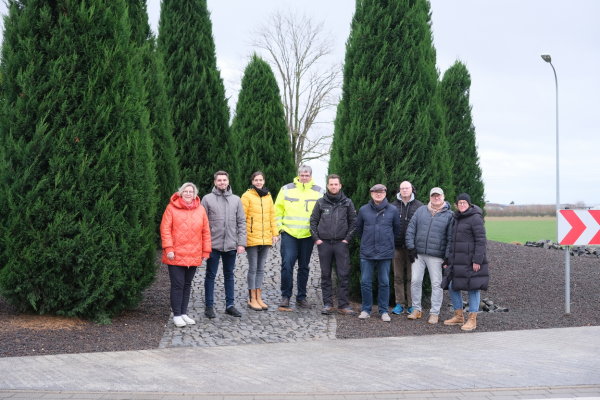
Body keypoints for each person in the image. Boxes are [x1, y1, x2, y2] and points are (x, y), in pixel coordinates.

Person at [160, 182, 211, 328]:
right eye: (186, 191)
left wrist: (206, 251)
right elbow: (165, 229)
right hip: (175, 254)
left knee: (187, 285)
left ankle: (183, 313)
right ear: (181, 193)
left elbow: (206, 231)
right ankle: (176, 315)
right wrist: (168, 248)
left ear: (195, 194)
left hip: (194, 254)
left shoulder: (200, 209)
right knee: (178, 285)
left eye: (191, 191)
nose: (188, 194)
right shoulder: (171, 208)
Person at [274, 165, 323, 311]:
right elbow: (277, 209)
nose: (304, 177)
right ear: (298, 175)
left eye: (307, 175)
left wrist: (318, 232)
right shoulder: (286, 189)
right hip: (289, 233)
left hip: (308, 235)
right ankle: (286, 296)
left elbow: (322, 213)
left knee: (304, 267)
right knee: (287, 265)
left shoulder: (319, 191)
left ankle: (301, 297)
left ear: (311, 175)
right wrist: (279, 228)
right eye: (302, 174)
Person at [201, 171, 246, 319]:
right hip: (213, 245)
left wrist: (241, 243)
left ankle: (230, 305)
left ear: (228, 181)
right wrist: (204, 244)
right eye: (219, 180)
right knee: (210, 275)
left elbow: (241, 222)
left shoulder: (236, 200)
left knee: (229, 275)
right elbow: (202, 223)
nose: (222, 182)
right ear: (215, 182)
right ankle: (209, 305)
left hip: (231, 245)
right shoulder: (207, 199)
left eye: (224, 180)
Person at [310, 174, 357, 315]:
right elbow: (313, 221)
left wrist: (346, 240)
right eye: (331, 184)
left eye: (336, 184)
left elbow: (354, 223)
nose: (333, 186)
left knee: (343, 274)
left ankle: (343, 305)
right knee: (325, 275)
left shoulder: (347, 203)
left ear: (340, 186)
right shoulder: (320, 203)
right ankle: (328, 304)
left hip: (341, 244)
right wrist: (317, 239)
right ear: (327, 186)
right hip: (324, 244)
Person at [405, 187, 454, 324]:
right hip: (418, 254)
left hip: (436, 256)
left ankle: (434, 313)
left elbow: (451, 238)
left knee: (436, 284)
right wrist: (411, 247)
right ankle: (416, 309)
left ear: (443, 197)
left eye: (438, 196)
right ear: (430, 197)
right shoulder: (421, 211)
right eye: (433, 196)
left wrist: (447, 256)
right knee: (415, 281)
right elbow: (410, 229)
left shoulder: (450, 215)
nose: (436, 198)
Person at [443, 193, 489, 331]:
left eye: (464, 202)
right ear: (456, 205)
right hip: (457, 261)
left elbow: (481, 240)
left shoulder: (475, 218)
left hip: (471, 261)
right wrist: (448, 259)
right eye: (459, 203)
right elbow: (452, 241)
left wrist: (477, 260)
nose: (462, 205)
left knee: (473, 288)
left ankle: (472, 320)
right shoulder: (456, 218)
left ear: (469, 204)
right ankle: (459, 316)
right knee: (452, 285)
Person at [355, 184, 401, 322]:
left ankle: (383, 311)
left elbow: (396, 230)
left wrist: (387, 243)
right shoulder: (363, 210)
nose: (378, 194)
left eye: (381, 192)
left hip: (385, 252)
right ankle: (366, 309)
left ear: (385, 193)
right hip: (367, 252)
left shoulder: (393, 210)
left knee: (384, 282)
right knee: (365, 282)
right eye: (375, 192)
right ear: (371, 194)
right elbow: (359, 230)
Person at [241, 171, 279, 311]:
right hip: (252, 238)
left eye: (261, 180)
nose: (258, 182)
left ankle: (258, 296)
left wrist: (274, 233)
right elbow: (242, 218)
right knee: (253, 268)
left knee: (261, 269)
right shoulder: (246, 196)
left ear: (264, 181)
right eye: (256, 180)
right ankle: (251, 298)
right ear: (252, 181)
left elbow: (272, 216)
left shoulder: (268, 196)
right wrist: (242, 237)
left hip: (266, 238)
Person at [390, 181, 423, 315]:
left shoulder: (419, 206)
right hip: (396, 247)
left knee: (412, 278)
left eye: (407, 188)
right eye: (402, 188)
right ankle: (399, 304)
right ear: (399, 190)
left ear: (412, 189)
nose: (404, 190)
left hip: (412, 249)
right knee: (398, 277)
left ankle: (411, 305)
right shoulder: (392, 206)